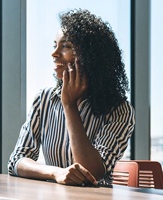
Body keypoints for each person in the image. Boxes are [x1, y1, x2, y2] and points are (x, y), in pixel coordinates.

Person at [8, 9, 135, 186]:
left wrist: (69, 105)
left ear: (90, 55)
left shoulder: (120, 110)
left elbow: (92, 172)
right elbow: (17, 160)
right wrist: (56, 172)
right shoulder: (44, 99)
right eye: (55, 45)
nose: (54, 53)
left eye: (65, 46)